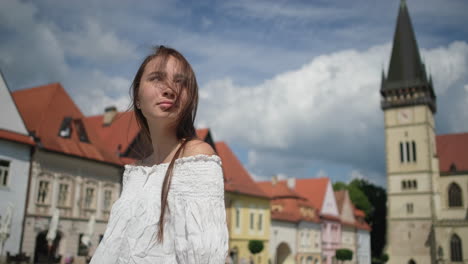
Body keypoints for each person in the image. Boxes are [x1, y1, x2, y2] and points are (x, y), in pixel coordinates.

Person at [89, 46, 228, 263]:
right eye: (156, 78)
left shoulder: (196, 157)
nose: (170, 89)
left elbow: (205, 257)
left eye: (180, 82)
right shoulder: (136, 171)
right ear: (137, 97)